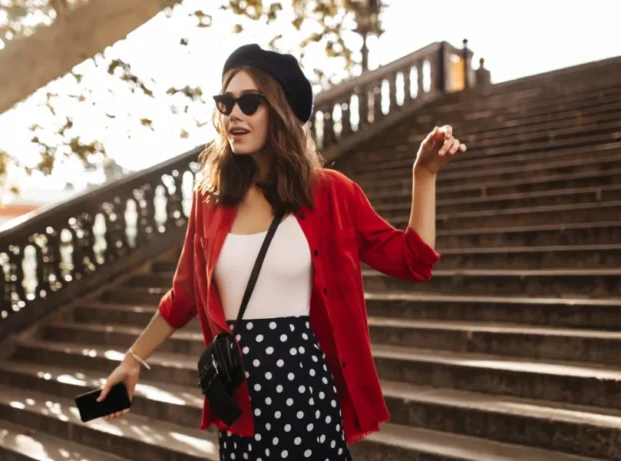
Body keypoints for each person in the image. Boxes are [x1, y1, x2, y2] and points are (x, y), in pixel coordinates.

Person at [97, 43, 467, 460]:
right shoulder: (210, 200)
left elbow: (412, 261)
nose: (233, 113)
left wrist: (425, 176)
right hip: (238, 399)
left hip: (304, 387)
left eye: (249, 102)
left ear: (279, 110)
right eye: (226, 102)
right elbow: (183, 296)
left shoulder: (331, 193)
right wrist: (132, 361)